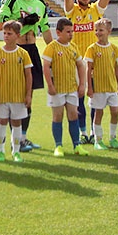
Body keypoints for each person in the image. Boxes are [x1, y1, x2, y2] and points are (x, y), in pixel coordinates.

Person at [0, 0, 53, 151]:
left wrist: (53, 51)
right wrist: (23, 22)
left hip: (32, 50)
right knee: (14, 95)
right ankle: (15, 140)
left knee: (28, 97)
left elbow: (45, 29)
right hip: (15, 51)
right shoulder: (12, 0)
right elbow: (1, 25)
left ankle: (23, 138)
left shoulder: (40, 3)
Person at [63, 0, 113, 144]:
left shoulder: (95, 10)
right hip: (77, 62)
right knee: (80, 98)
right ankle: (83, 132)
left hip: (95, 61)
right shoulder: (72, 11)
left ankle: (94, 131)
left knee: (95, 99)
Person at [42, 18, 90, 158]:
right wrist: (50, 85)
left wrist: (82, 84)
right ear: (58, 32)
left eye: (72, 31)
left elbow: (81, 66)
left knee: (73, 114)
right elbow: (46, 66)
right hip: (57, 89)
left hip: (71, 88)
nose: (71, 34)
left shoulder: (73, 47)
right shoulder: (52, 47)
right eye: (68, 32)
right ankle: (58, 145)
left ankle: (77, 145)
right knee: (58, 116)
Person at [0, 21, 33, 163]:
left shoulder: (23, 54)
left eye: (9, 33)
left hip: (18, 96)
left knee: (16, 123)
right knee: (1, 121)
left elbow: (28, 75)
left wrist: (28, 94)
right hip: (2, 95)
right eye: (5, 33)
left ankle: (16, 151)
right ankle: (0, 151)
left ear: (17, 36)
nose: (6, 36)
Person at [84, 18, 118, 150]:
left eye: (101, 30)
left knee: (115, 112)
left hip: (111, 86)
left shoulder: (113, 48)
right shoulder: (92, 49)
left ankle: (113, 138)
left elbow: (116, 67)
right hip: (98, 88)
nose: (98, 33)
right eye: (96, 30)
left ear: (109, 31)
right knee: (99, 113)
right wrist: (89, 87)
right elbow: (88, 70)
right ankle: (98, 140)